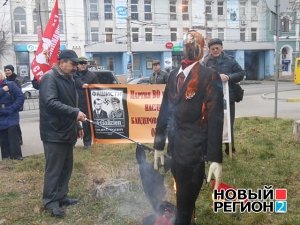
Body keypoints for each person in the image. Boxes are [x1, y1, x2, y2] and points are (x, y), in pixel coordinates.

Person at [153, 30, 224, 225]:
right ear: (182, 49)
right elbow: (164, 111)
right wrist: (159, 145)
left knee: (184, 204)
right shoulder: (174, 75)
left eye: (195, 46)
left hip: (194, 153)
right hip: (175, 150)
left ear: (201, 50)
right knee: (183, 197)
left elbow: (216, 119)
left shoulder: (209, 76)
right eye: (187, 45)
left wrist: (215, 158)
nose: (190, 49)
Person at [39, 49, 86, 218]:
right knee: (54, 169)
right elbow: (50, 102)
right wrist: (75, 113)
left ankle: (61, 196)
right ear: (62, 62)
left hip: (68, 131)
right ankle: (50, 201)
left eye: (76, 64)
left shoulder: (69, 78)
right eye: (73, 64)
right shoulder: (49, 78)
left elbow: (73, 102)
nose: (75, 67)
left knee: (66, 167)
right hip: (54, 132)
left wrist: (78, 125)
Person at [202, 38, 245, 155]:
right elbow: (201, 77)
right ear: (209, 50)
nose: (215, 50)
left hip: (228, 98)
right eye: (213, 49)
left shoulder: (230, 60)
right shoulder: (205, 62)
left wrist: (229, 77)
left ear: (222, 48)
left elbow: (241, 74)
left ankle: (230, 149)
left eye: (217, 48)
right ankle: (213, 150)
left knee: (228, 124)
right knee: (212, 125)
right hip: (212, 99)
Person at [0, 70, 24, 160]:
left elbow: (20, 97)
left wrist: (12, 108)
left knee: (13, 135)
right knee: (3, 138)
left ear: (2, 75)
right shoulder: (4, 87)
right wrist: (2, 90)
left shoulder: (11, 84)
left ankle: (16, 156)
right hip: (1, 115)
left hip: (11, 114)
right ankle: (6, 158)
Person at [74, 57, 98, 149]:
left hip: (87, 104)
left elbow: (97, 88)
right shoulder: (72, 74)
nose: (83, 65)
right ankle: (72, 143)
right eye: (81, 63)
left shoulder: (92, 75)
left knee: (87, 124)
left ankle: (87, 144)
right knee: (72, 124)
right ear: (77, 64)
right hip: (74, 103)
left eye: (85, 63)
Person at [4, 65, 23, 145]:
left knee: (15, 123)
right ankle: (12, 139)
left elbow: (18, 93)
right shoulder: (4, 80)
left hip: (14, 104)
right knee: (11, 123)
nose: (7, 72)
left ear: (12, 70)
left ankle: (19, 139)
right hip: (7, 104)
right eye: (5, 70)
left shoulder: (16, 80)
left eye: (8, 70)